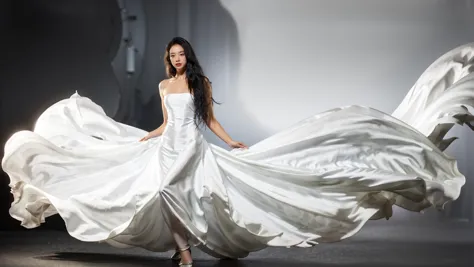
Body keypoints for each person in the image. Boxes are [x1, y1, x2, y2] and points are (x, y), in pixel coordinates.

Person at [2, 37, 474, 266]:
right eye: (172, 55)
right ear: (168, 60)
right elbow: (168, 122)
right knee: (163, 190)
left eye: (181, 54)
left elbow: (206, 120)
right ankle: (185, 252)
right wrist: (143, 138)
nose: (176, 60)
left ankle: (191, 250)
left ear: (189, 56)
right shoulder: (165, 84)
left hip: (195, 147)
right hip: (167, 145)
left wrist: (228, 142)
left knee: (182, 193)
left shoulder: (200, 82)